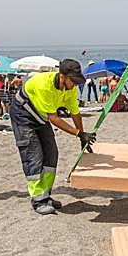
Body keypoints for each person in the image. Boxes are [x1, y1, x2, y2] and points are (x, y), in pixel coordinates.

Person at [9, 59, 95, 215]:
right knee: (33, 156)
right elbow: (54, 118)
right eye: (72, 81)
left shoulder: (70, 89)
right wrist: (78, 133)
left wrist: (82, 136)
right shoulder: (45, 85)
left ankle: (46, 195)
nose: (74, 85)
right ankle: (38, 200)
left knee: (51, 153)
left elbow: (75, 113)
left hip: (41, 117)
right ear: (62, 76)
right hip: (23, 116)